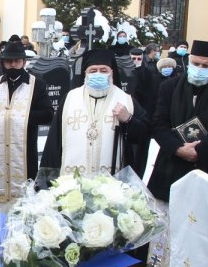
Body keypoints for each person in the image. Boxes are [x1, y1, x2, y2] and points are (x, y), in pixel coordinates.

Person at [148, 40, 208, 201]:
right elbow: (159, 124)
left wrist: (199, 150)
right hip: (171, 165)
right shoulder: (169, 87)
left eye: (205, 66)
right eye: (196, 64)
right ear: (189, 61)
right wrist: (178, 148)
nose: (200, 68)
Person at [41, 47, 148, 178]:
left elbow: (143, 135)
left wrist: (128, 119)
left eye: (103, 70)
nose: (98, 74)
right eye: (93, 70)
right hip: (72, 183)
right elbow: (54, 141)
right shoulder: (70, 99)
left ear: (112, 72)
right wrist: (47, 179)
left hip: (112, 184)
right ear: (85, 73)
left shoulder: (126, 101)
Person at [0, 40, 54, 210]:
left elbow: (48, 114)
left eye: (17, 61)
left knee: (25, 198)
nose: (13, 65)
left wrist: (21, 115)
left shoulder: (37, 84)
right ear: (3, 63)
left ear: (24, 62)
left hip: (24, 150)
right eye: (8, 61)